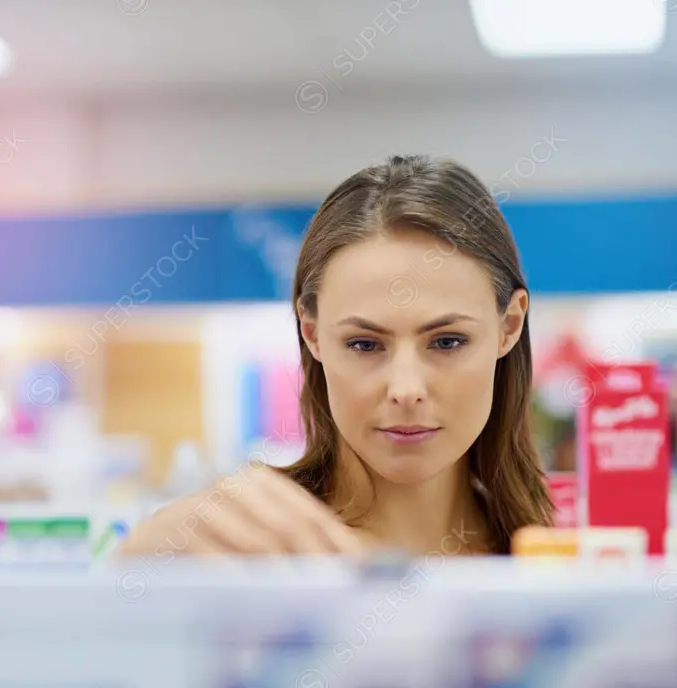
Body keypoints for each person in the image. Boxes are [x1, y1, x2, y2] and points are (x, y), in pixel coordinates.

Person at [118, 155, 555, 559]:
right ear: (312, 333)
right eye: (364, 345)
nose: (406, 390)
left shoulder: (566, 552)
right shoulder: (248, 547)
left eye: (447, 342)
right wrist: (142, 554)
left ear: (509, 326)